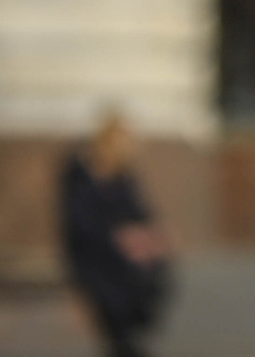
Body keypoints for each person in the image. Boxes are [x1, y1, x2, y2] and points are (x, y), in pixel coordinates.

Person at [59, 112, 171, 357]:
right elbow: (79, 225)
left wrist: (150, 235)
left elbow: (140, 211)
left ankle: (127, 339)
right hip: (92, 255)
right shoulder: (80, 174)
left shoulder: (124, 175)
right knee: (116, 292)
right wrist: (121, 238)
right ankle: (123, 343)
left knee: (155, 268)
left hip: (122, 254)